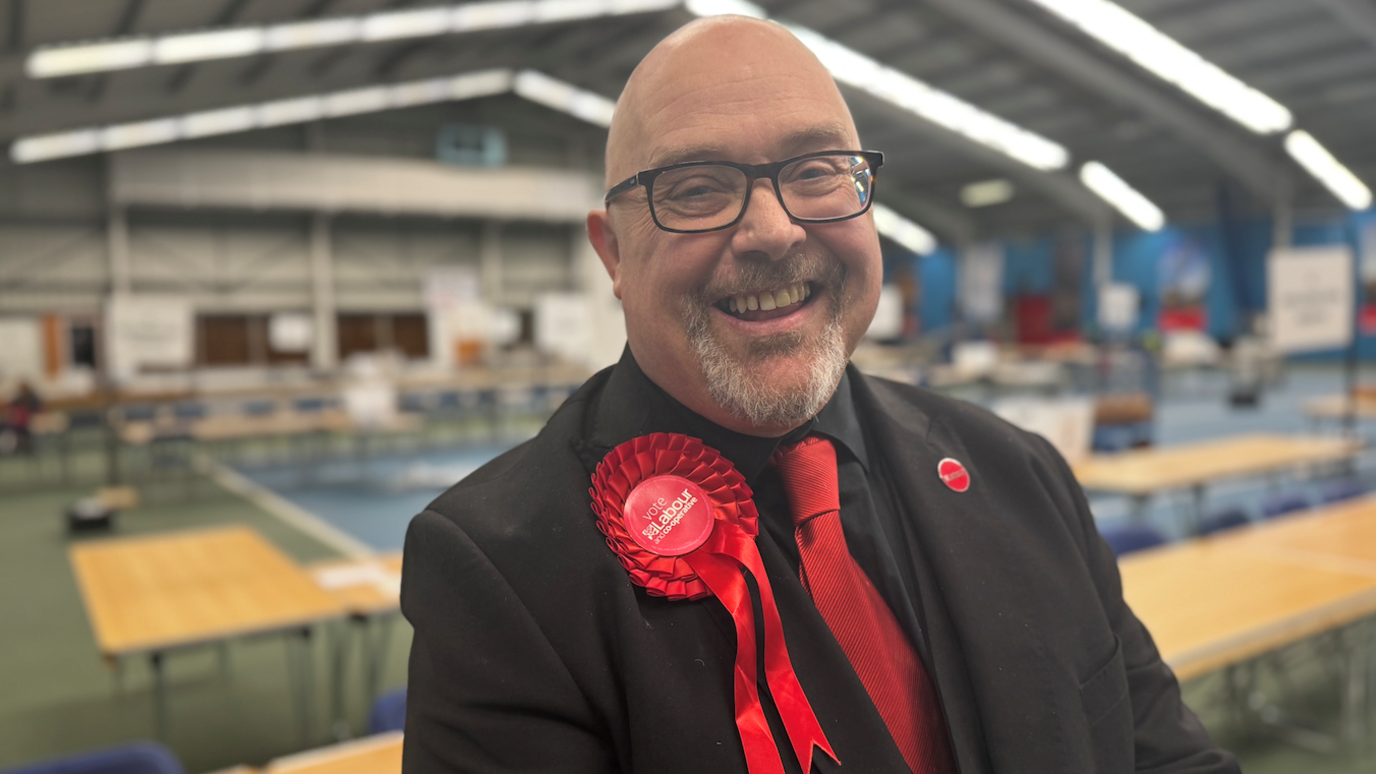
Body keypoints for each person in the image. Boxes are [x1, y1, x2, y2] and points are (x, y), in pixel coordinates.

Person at [401, 15, 1238, 774]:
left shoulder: (1022, 475)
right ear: (613, 254)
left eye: (816, 171)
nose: (772, 230)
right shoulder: (502, 574)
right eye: (697, 188)